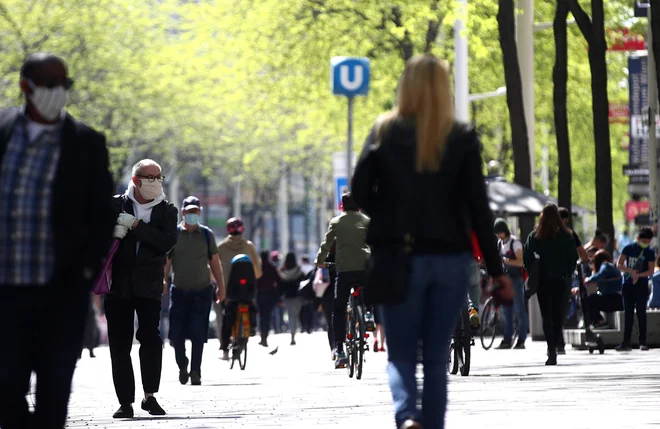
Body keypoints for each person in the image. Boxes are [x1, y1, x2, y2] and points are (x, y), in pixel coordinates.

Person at [352, 54, 512, 429]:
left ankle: (407, 416)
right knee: (437, 359)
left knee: (402, 355)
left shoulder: (384, 131)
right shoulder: (460, 138)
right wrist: (494, 269)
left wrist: (389, 213)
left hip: (399, 258)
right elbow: (479, 209)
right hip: (450, 258)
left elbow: (359, 191)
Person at [0, 53, 115, 429]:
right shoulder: (2, 130)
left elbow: (102, 217)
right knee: (5, 390)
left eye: (64, 85)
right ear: (26, 87)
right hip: (5, 293)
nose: (57, 93)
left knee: (53, 395)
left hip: (60, 293)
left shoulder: (87, 143)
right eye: (49, 84)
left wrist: (85, 272)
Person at [106, 159, 178, 418]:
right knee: (119, 344)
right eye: (150, 177)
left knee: (150, 338)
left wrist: (136, 226)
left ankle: (150, 396)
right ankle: (125, 402)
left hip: (149, 285)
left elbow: (167, 242)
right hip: (117, 285)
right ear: (136, 180)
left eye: (159, 177)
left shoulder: (168, 211)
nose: (156, 183)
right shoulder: (116, 205)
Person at [163, 196, 225, 386]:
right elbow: (167, 262)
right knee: (177, 335)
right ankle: (182, 365)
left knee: (199, 334)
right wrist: (163, 280)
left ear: (199, 213)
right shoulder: (173, 234)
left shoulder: (207, 235)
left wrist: (221, 287)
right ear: (182, 213)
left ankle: (196, 371)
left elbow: (215, 262)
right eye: (189, 212)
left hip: (202, 292)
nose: (192, 215)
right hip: (179, 292)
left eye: (195, 212)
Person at [315, 192, 373, 369]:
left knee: (338, 309)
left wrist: (320, 261)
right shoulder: (367, 221)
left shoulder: (336, 222)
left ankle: (340, 351)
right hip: (364, 267)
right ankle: (369, 314)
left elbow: (326, 244)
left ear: (342, 206)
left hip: (344, 270)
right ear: (358, 206)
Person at [523, 204, 578, 365]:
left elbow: (527, 257)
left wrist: (533, 270)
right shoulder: (566, 236)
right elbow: (573, 258)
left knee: (546, 316)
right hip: (561, 280)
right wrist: (568, 272)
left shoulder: (536, 235)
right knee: (558, 315)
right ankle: (555, 343)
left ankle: (551, 349)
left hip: (543, 281)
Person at [217, 217, 262, 360]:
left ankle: (225, 350)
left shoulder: (221, 247)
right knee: (251, 306)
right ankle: (252, 328)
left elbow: (214, 269)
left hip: (228, 291)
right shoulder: (249, 246)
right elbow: (258, 271)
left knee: (227, 317)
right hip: (247, 289)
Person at [616, 226, 655, 351]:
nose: (646, 244)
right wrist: (630, 271)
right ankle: (626, 342)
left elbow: (651, 270)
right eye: (644, 241)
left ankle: (642, 342)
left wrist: (639, 275)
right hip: (627, 285)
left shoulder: (649, 252)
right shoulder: (628, 248)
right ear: (638, 238)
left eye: (648, 242)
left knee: (641, 313)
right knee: (628, 314)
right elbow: (619, 264)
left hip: (641, 286)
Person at [556, 207, 588, 353]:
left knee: (551, 309)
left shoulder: (544, 232)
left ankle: (556, 342)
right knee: (560, 308)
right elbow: (582, 252)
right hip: (565, 274)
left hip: (548, 276)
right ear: (566, 219)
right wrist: (585, 261)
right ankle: (559, 342)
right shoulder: (570, 233)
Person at [493, 218, 528, 350]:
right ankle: (507, 339)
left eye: (500, 232)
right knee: (506, 311)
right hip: (505, 280)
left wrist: (506, 260)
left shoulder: (515, 242)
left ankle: (521, 339)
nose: (499, 235)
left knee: (519, 310)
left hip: (516, 279)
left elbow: (520, 262)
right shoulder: (499, 243)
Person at [578, 250, 623, 328]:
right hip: (614, 300)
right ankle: (594, 321)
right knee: (589, 298)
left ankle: (600, 321)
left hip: (615, 300)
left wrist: (588, 279)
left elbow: (600, 275)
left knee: (591, 299)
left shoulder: (606, 265)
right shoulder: (610, 266)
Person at [279, 252, 307, 345]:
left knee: (291, 316)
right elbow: (304, 282)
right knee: (296, 315)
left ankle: (292, 334)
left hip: (287, 297)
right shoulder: (299, 271)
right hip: (297, 297)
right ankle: (295, 331)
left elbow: (280, 285)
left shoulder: (282, 271)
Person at [257, 250, 281, 347]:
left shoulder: (257, 268)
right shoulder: (272, 267)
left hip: (259, 294)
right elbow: (278, 281)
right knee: (267, 316)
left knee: (261, 316)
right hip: (270, 294)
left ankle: (262, 336)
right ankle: (264, 337)